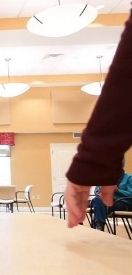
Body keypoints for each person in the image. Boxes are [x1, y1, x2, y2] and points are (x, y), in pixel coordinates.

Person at [65, 9, 132, 228]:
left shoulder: (128, 178)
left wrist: (94, 159)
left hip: (123, 200)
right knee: (98, 200)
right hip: (108, 196)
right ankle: (99, 225)